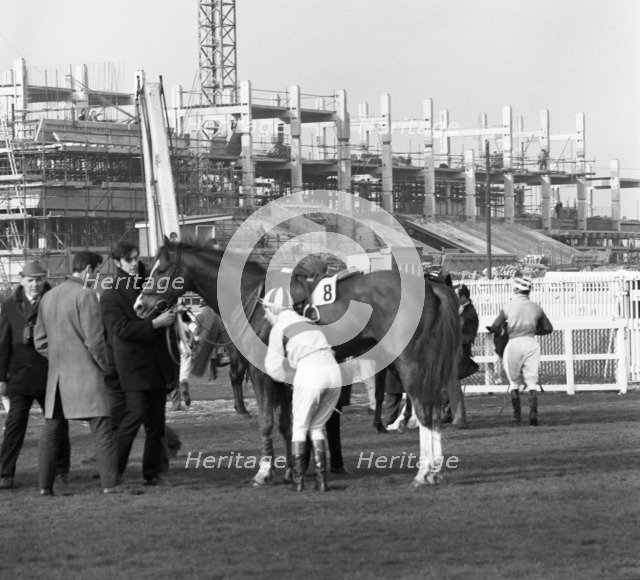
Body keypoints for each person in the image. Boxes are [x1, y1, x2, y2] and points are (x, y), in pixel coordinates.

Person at [34, 252, 120, 496]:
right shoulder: (86, 294)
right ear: (90, 270)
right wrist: (105, 367)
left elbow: (40, 342)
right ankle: (110, 484)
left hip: (57, 378)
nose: (97, 276)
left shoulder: (47, 297)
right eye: (97, 271)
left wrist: (62, 358)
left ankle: (44, 487)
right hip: (86, 375)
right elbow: (94, 341)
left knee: (51, 431)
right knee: (102, 427)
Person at [100, 242, 178, 485]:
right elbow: (120, 330)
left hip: (156, 364)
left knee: (156, 422)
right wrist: (156, 324)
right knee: (134, 417)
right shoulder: (111, 292)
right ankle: (114, 472)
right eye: (129, 260)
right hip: (132, 365)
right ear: (117, 262)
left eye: (135, 259)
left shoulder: (148, 284)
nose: (134, 263)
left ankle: (151, 473)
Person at [262, 287, 341, 492]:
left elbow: (273, 367)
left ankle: (298, 482)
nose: (265, 313)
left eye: (266, 309)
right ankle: (321, 481)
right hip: (333, 372)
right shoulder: (308, 322)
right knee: (317, 427)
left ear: (275, 308)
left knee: (300, 427)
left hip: (310, 372)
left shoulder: (279, 328)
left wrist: (290, 379)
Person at [0, 261, 70, 490]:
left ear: (45, 279)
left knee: (58, 424)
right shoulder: (10, 304)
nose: (34, 285)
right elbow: (3, 343)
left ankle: (61, 471)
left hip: (50, 375)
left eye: (39, 279)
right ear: (21, 280)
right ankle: (5, 474)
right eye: (30, 280)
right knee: (14, 426)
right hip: (19, 377)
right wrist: (1, 377)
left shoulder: (55, 300)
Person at [488, 276, 553, 426]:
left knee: (514, 382)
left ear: (516, 289)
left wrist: (505, 330)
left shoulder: (508, 306)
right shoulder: (537, 307)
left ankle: (517, 415)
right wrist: (533, 331)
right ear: (529, 289)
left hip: (514, 343)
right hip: (531, 343)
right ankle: (533, 413)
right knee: (531, 381)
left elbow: (495, 326)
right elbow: (549, 328)